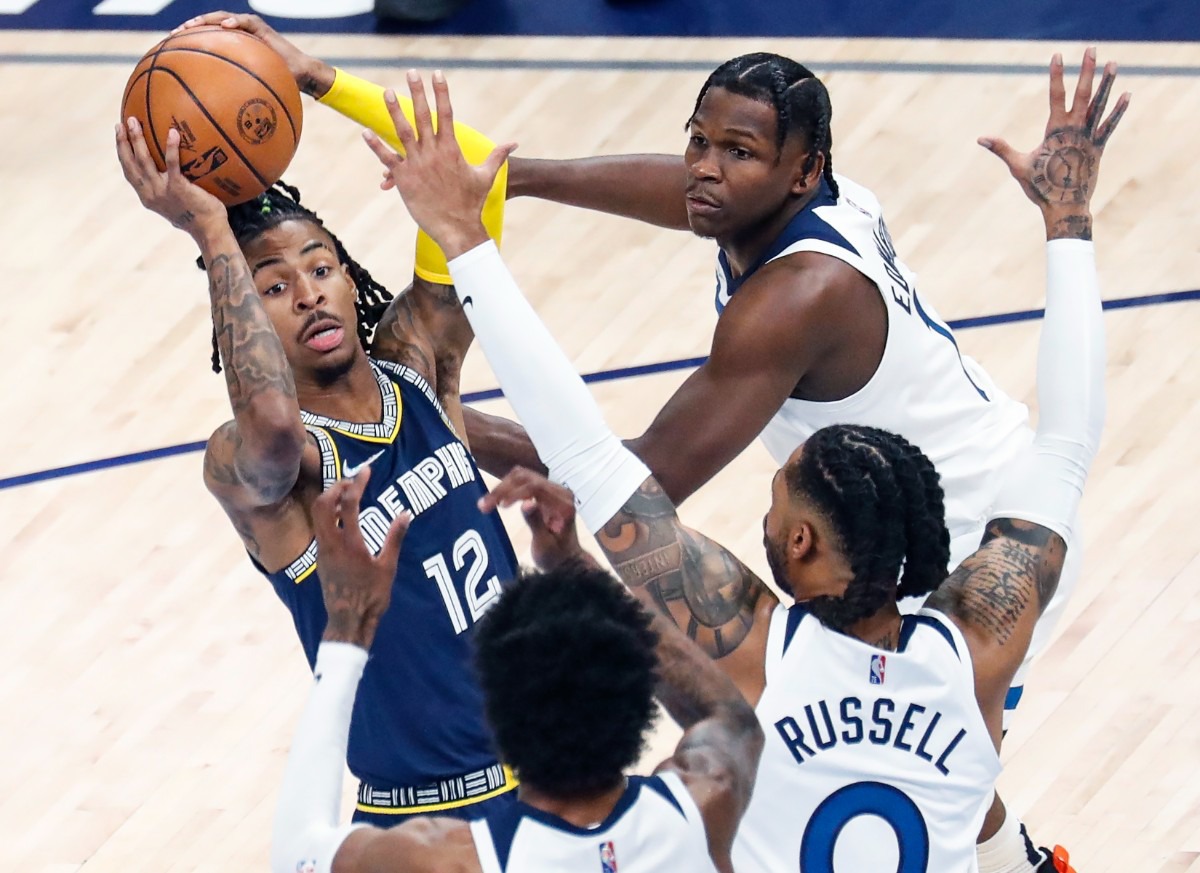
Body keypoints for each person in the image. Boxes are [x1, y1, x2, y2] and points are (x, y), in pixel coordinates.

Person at [364, 55, 1123, 872]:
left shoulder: (755, 666)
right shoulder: (971, 647)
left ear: (798, 545)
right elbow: (1069, 441)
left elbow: (624, 475)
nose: (707, 169)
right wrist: (1069, 218)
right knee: (951, 760)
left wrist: (453, 326)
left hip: (974, 509)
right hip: (1001, 514)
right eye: (701, 144)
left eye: (779, 490)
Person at [115, 90, 521, 826]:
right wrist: (210, 230)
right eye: (273, 285)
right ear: (238, 306)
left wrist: (314, 77)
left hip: (555, 774)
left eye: (320, 267)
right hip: (423, 820)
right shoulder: (268, 469)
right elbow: (270, 424)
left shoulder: (418, 365)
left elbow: (478, 175)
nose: (308, 294)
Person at [269, 466, 764, 873]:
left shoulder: (455, 861)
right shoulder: (701, 805)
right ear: (638, 704)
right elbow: (729, 714)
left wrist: (346, 631)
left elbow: (297, 853)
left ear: (496, 718)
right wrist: (573, 564)